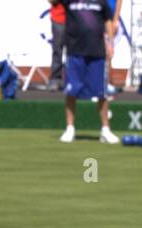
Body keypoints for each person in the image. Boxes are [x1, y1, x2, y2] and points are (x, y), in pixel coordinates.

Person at [57, 0, 119, 143]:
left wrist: (110, 43)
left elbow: (108, 20)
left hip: (97, 52)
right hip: (74, 52)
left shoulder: (101, 1)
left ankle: (105, 130)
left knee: (102, 92)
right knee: (71, 91)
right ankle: (70, 129)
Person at [48, 0, 68, 91]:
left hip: (76, 19)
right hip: (58, 19)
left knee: (75, 52)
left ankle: (73, 80)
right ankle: (55, 79)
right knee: (57, 50)